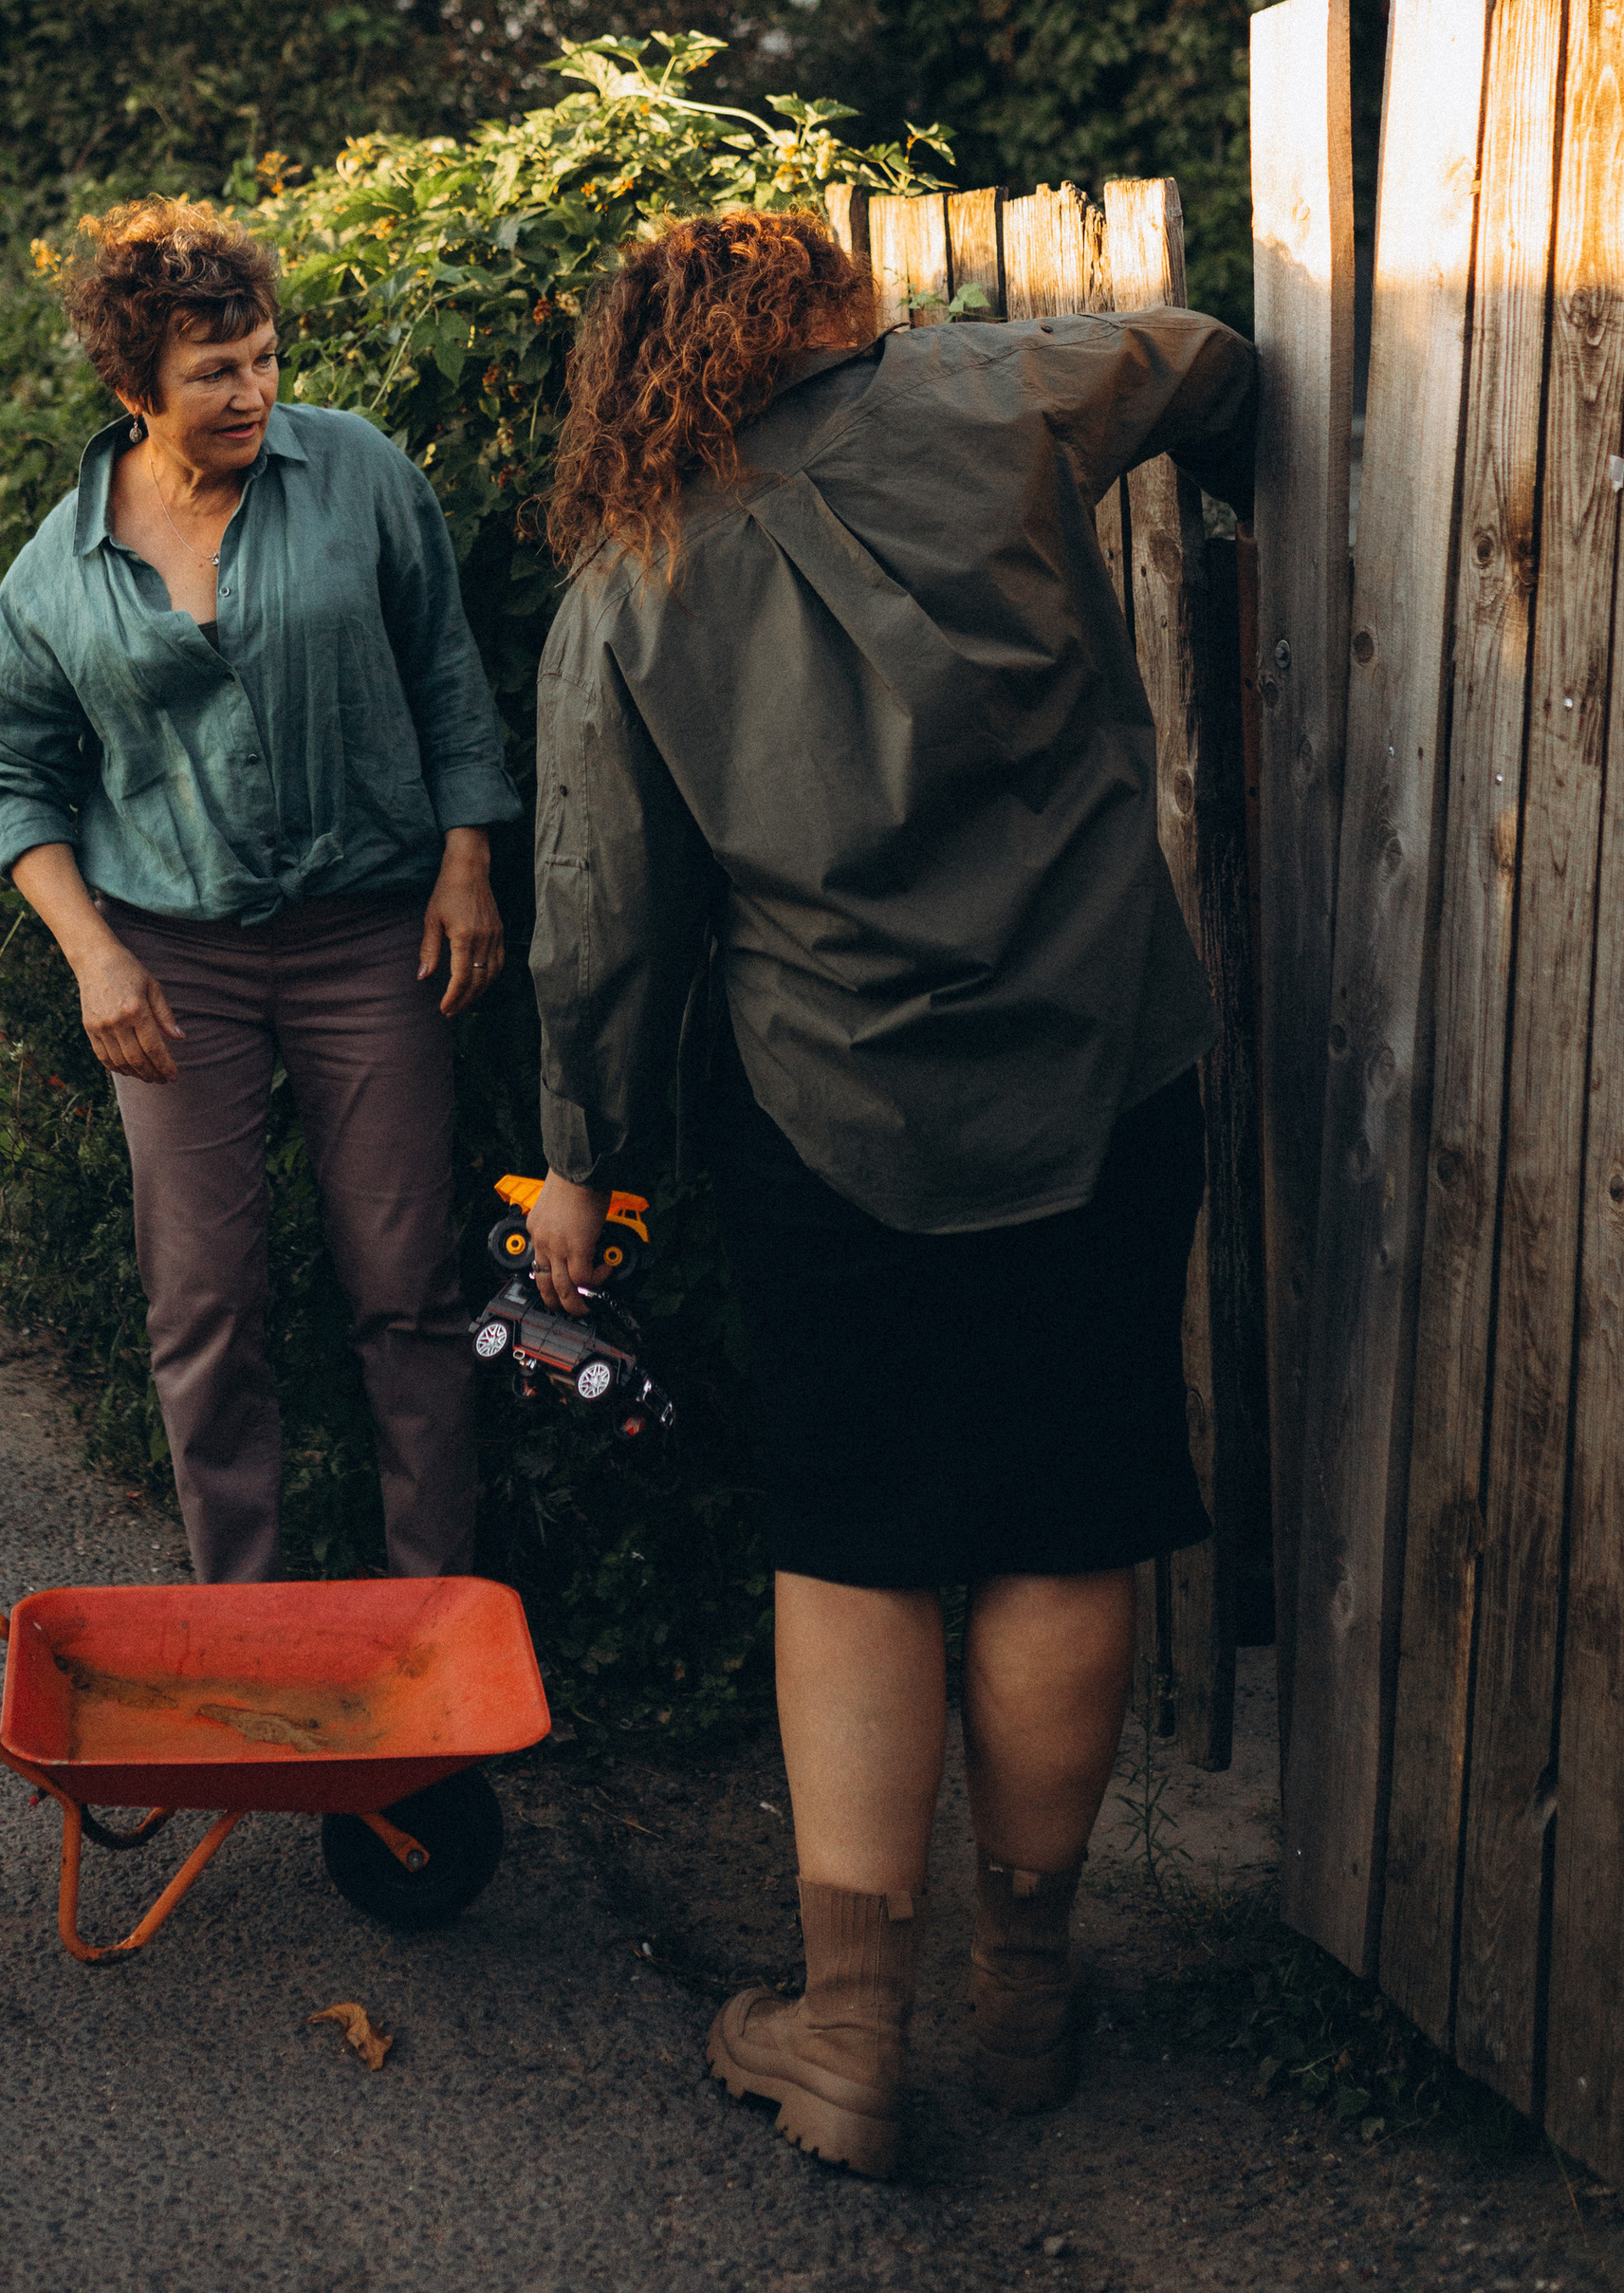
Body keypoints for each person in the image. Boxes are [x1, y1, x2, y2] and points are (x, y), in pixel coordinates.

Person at [523, 209, 1257, 2180]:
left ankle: (845, 2035)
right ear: (822, 311)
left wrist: (578, 1164)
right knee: (1067, 1507)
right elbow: (1199, 354)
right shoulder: (983, 394)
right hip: (1098, 1069)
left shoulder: (627, 579)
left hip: (824, 1115)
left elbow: (599, 922)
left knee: (850, 1538)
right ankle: (1023, 1988)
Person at [0, 199, 519, 1584]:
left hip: (372, 942)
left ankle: (431, 1638)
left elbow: (449, 671)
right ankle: (246, 1632)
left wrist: (467, 859)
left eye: (264, 357)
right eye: (214, 372)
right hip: (172, 962)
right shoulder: (59, 571)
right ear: (132, 389)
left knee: (407, 1291)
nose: (253, 392)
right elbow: (15, 777)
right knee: (205, 1306)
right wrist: (92, 952)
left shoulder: (360, 474)